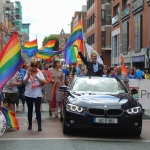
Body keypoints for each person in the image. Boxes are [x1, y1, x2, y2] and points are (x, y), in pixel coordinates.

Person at [24, 59, 46, 131]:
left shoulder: (40, 73)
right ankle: (30, 125)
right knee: (30, 110)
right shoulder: (27, 72)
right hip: (29, 94)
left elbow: (44, 82)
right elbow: (24, 82)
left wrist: (36, 77)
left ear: (37, 66)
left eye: (35, 66)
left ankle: (39, 126)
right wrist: (28, 76)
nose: (34, 67)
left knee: (37, 110)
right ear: (30, 66)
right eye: (32, 65)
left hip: (37, 95)